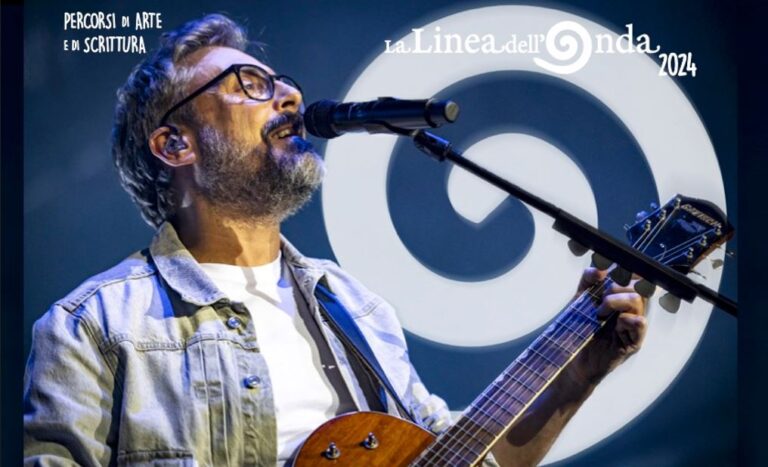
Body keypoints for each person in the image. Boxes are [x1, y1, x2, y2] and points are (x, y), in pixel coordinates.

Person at [23, 14, 647, 467]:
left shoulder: (355, 307)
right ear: (175, 144)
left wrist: (579, 374)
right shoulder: (91, 327)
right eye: (248, 83)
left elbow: (463, 458)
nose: (290, 96)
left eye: (282, 82)